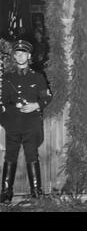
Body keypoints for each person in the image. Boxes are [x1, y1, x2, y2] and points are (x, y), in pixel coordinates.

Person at [0, 40, 52, 203]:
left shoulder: (37, 76)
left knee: (32, 156)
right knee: (10, 156)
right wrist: (8, 116)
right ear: (14, 56)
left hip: (31, 123)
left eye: (23, 53)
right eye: (17, 53)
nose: (20, 56)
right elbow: (2, 101)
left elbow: (47, 97)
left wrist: (36, 105)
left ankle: (36, 193)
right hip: (13, 123)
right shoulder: (7, 78)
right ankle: (6, 193)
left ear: (29, 56)